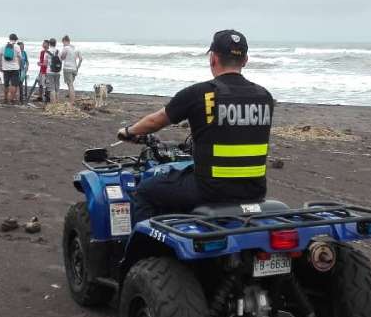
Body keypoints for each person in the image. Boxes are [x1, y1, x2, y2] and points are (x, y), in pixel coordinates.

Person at [117, 30, 274, 223]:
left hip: (209, 190)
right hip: (254, 190)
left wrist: (128, 131)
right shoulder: (264, 96)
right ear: (245, 60)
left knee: (144, 191)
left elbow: (154, 121)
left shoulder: (198, 94)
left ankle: (142, 251)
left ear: (213, 58)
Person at [0, 33, 23, 104]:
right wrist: (20, 66)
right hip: (15, 68)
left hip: (5, 68)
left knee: (6, 84)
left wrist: (1, 66)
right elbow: (20, 58)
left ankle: (5, 98)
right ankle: (11, 99)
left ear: (9, 38)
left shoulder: (3, 46)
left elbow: (0, 56)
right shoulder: (17, 47)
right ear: (16, 39)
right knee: (14, 84)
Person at [60, 35, 83, 104]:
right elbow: (81, 59)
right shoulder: (76, 49)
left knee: (70, 85)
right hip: (74, 69)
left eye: (63, 42)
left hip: (67, 68)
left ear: (65, 41)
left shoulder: (66, 48)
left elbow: (62, 57)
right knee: (71, 84)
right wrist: (77, 67)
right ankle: (72, 100)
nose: (63, 44)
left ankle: (71, 101)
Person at [44, 38, 61, 103]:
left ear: (49, 44)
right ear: (55, 43)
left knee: (52, 88)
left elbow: (45, 63)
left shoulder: (47, 52)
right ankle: (58, 102)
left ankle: (53, 104)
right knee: (57, 88)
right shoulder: (58, 51)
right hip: (57, 71)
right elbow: (60, 60)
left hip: (49, 71)